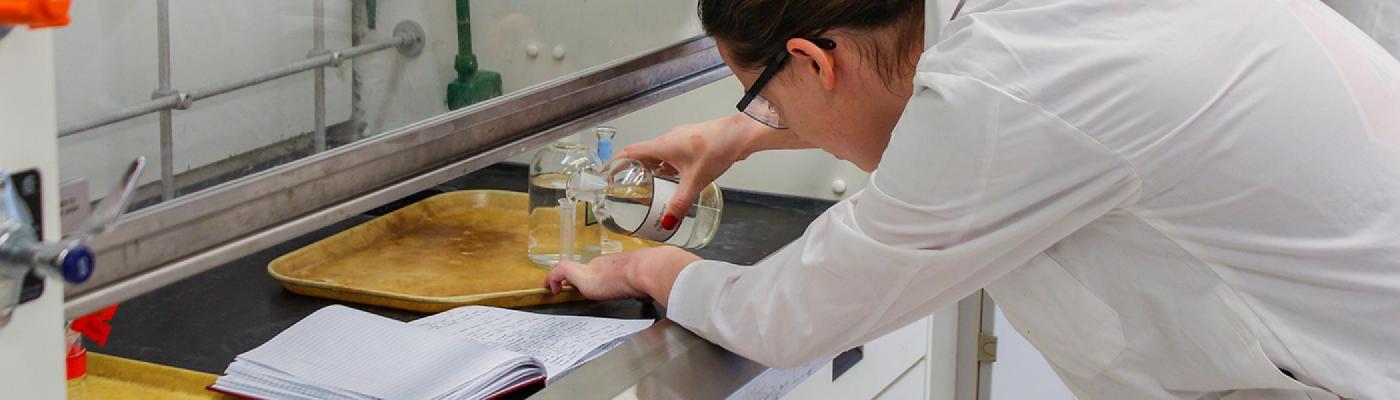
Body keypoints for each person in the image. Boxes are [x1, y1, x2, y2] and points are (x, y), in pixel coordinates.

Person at [544, 0, 1400, 398]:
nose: (767, 117)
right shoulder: (1019, 28)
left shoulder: (1007, 85)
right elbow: (949, 112)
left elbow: (787, 317)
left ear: (813, 57)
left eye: (763, 96)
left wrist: (655, 269)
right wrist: (731, 136)